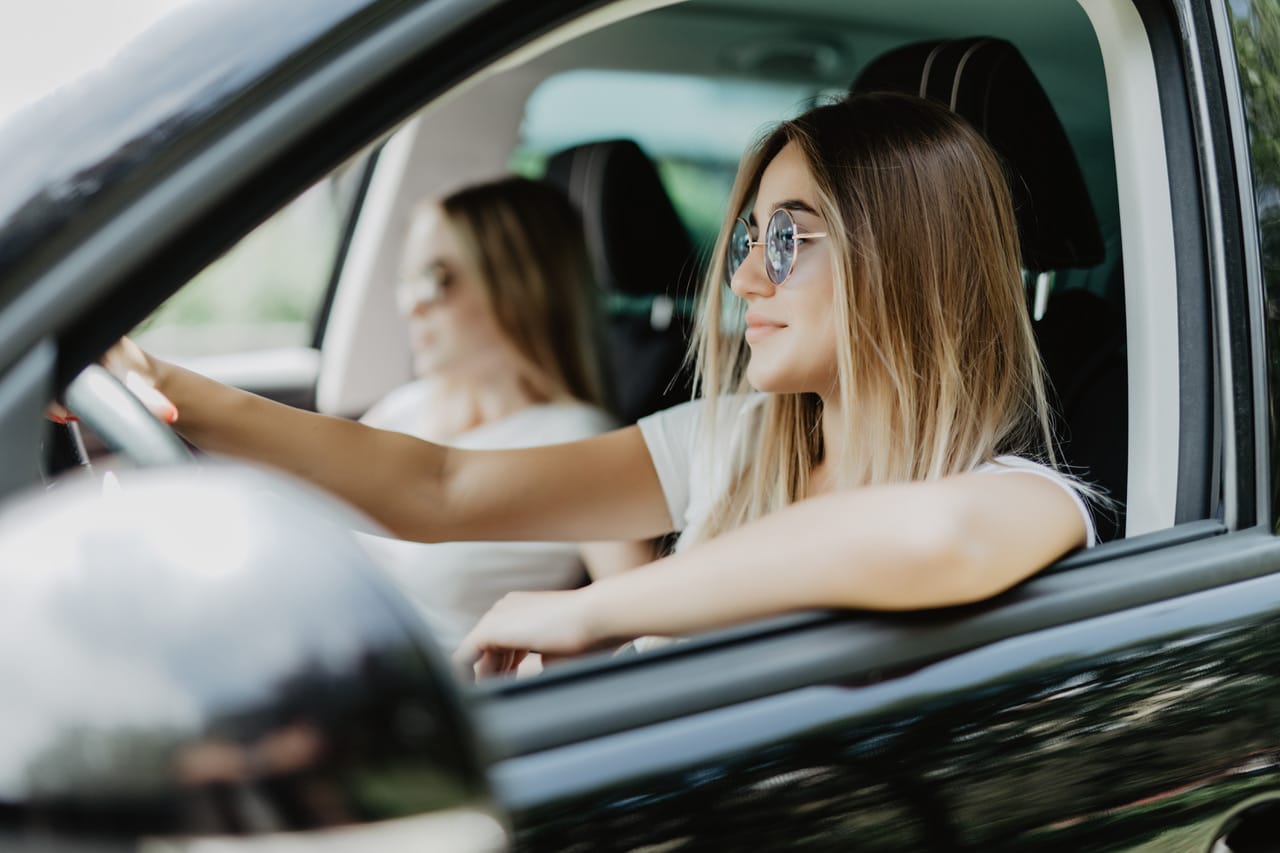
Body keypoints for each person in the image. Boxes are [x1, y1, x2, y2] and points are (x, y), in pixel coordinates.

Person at [92, 93, 1096, 678]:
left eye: (785, 238)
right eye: (746, 237)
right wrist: (167, 387)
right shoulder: (730, 439)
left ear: (904, 262)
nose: (743, 275)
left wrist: (597, 613)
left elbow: (928, 536)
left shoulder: (1026, 500)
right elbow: (441, 490)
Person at [351, 176, 651, 647]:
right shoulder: (405, 406)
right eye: (405, 282)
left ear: (515, 282)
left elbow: (646, 632)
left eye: (434, 281)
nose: (411, 306)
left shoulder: (577, 440)